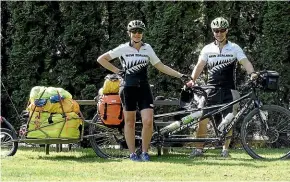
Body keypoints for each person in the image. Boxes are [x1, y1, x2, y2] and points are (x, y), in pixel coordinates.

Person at [97, 20, 187, 161]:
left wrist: (180, 75)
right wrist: (117, 71)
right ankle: (133, 154)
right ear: (129, 33)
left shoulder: (148, 48)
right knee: (130, 122)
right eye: (134, 31)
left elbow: (160, 66)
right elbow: (101, 59)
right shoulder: (123, 48)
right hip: (127, 88)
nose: (137, 34)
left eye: (139, 31)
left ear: (142, 33)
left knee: (148, 121)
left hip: (144, 88)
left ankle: (145, 152)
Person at [187, 17, 257, 158]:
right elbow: (199, 66)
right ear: (213, 32)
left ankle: (225, 150)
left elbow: (245, 62)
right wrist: (191, 80)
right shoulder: (207, 48)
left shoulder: (234, 48)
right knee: (202, 118)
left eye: (222, 30)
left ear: (227, 31)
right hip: (210, 89)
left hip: (229, 89)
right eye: (216, 31)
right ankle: (198, 150)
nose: (219, 33)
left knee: (229, 120)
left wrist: (253, 73)